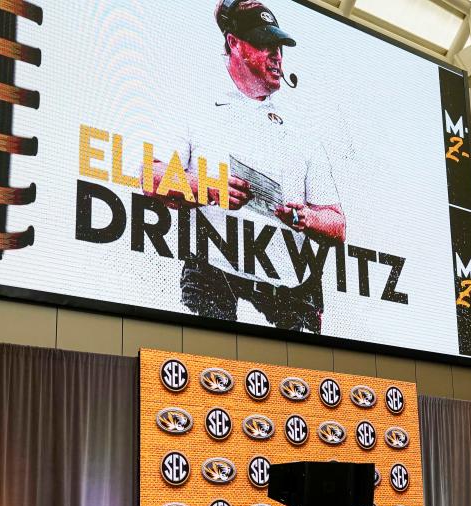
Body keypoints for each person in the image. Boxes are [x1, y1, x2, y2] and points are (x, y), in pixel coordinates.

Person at [147, 0, 346, 334]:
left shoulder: (301, 131)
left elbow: (337, 223)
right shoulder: (197, 105)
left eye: (279, 46)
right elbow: (150, 176)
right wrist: (208, 187)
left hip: (290, 289)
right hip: (213, 277)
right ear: (233, 43)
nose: (276, 55)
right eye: (264, 44)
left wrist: (305, 216)